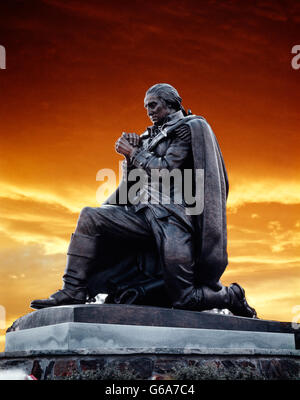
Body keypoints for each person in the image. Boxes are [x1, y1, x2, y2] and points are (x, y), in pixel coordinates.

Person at [31, 83, 257, 318]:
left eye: (153, 105)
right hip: (140, 214)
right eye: (146, 106)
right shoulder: (149, 136)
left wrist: (133, 152)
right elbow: (133, 183)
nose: (148, 111)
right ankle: (73, 290)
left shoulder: (188, 128)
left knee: (184, 298)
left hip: (173, 218)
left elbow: (166, 169)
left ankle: (231, 295)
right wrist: (132, 155)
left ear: (170, 104)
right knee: (90, 216)